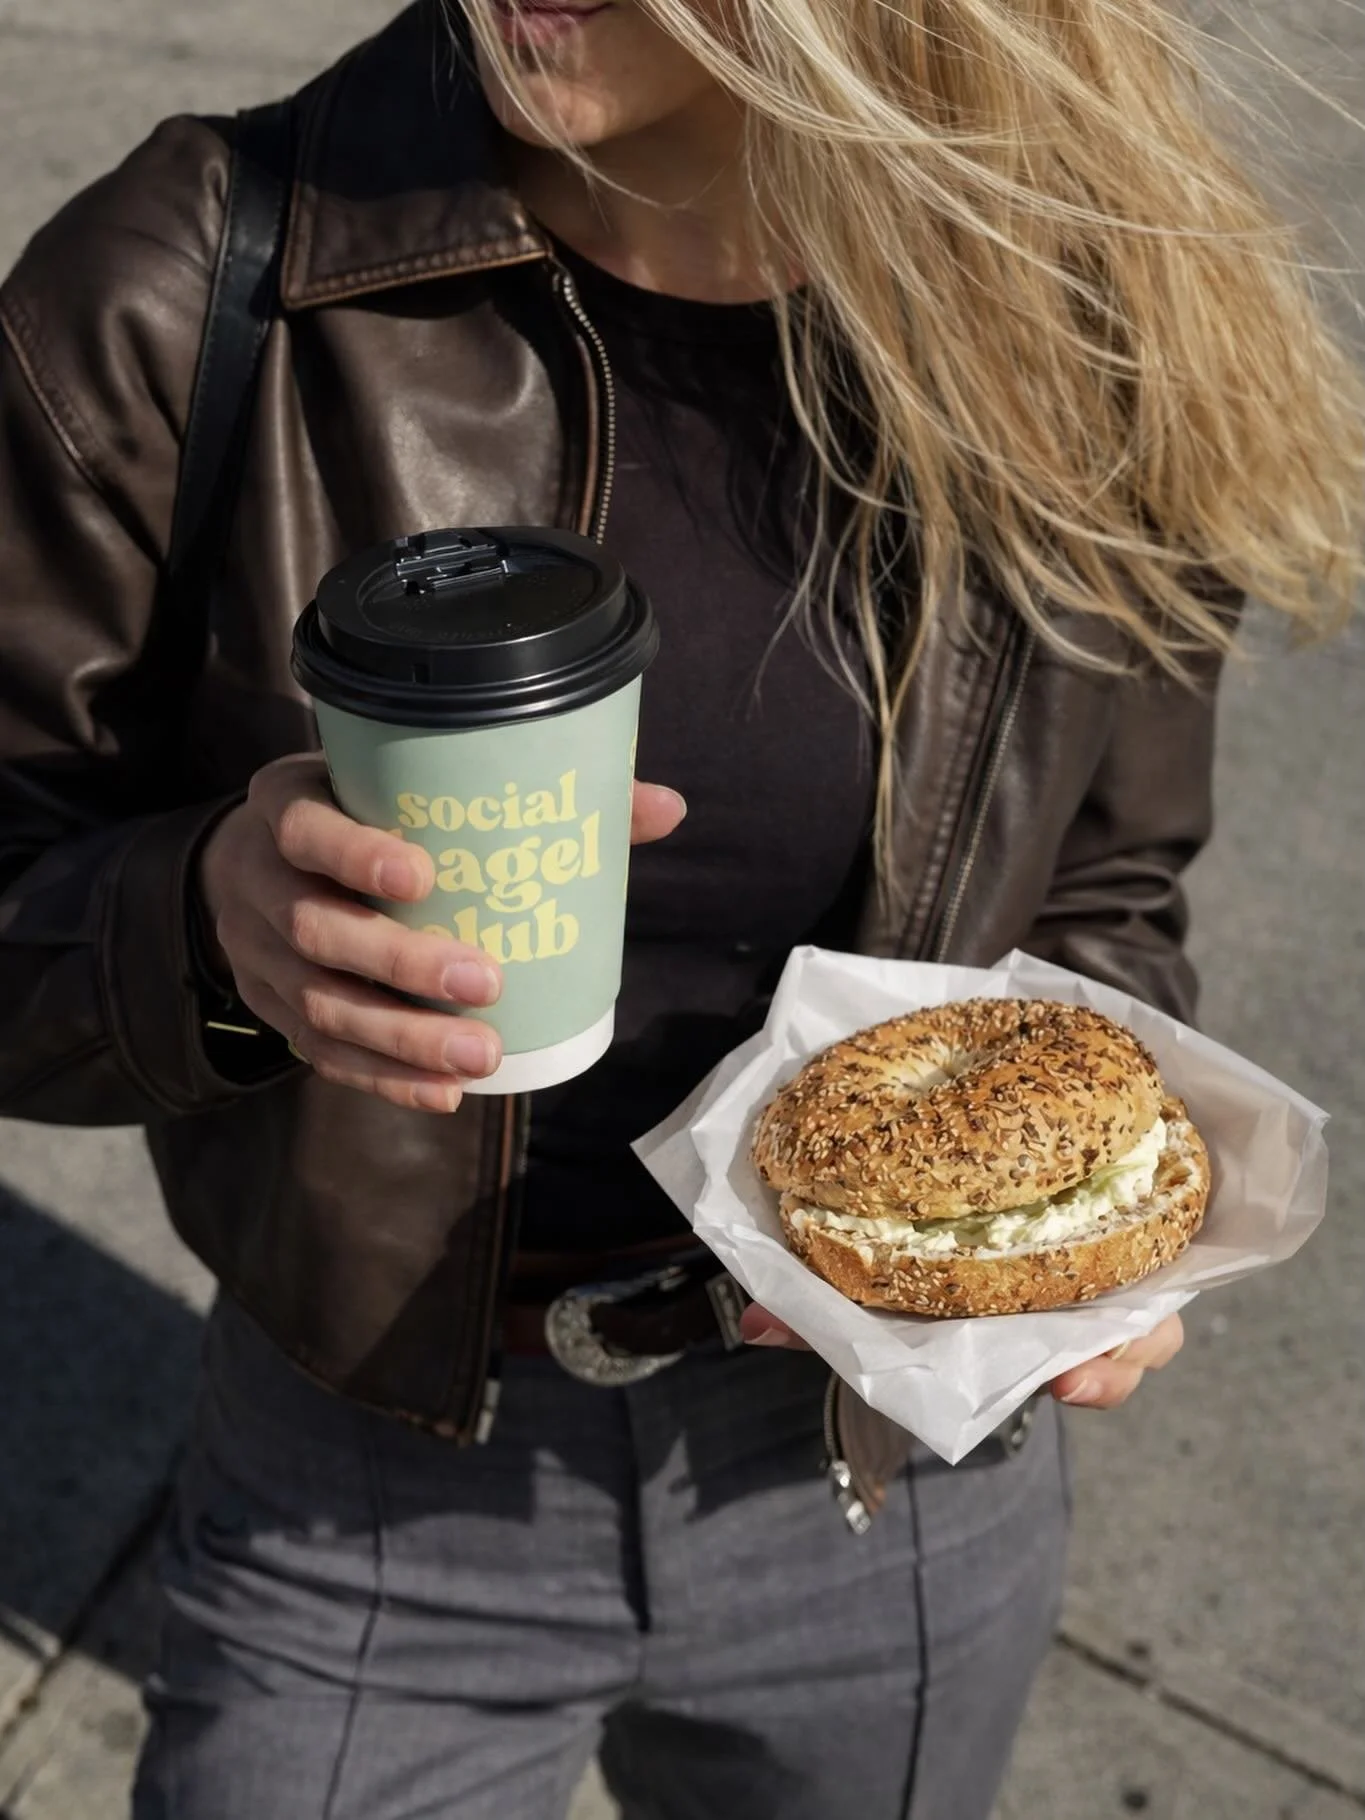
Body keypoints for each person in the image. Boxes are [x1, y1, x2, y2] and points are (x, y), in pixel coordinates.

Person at [0, 1, 1360, 1815]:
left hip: (887, 1479)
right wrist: (205, 933)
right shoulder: (191, 283)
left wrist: (1067, 1243)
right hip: (370, 1483)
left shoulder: (1074, 320)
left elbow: (1107, 875)